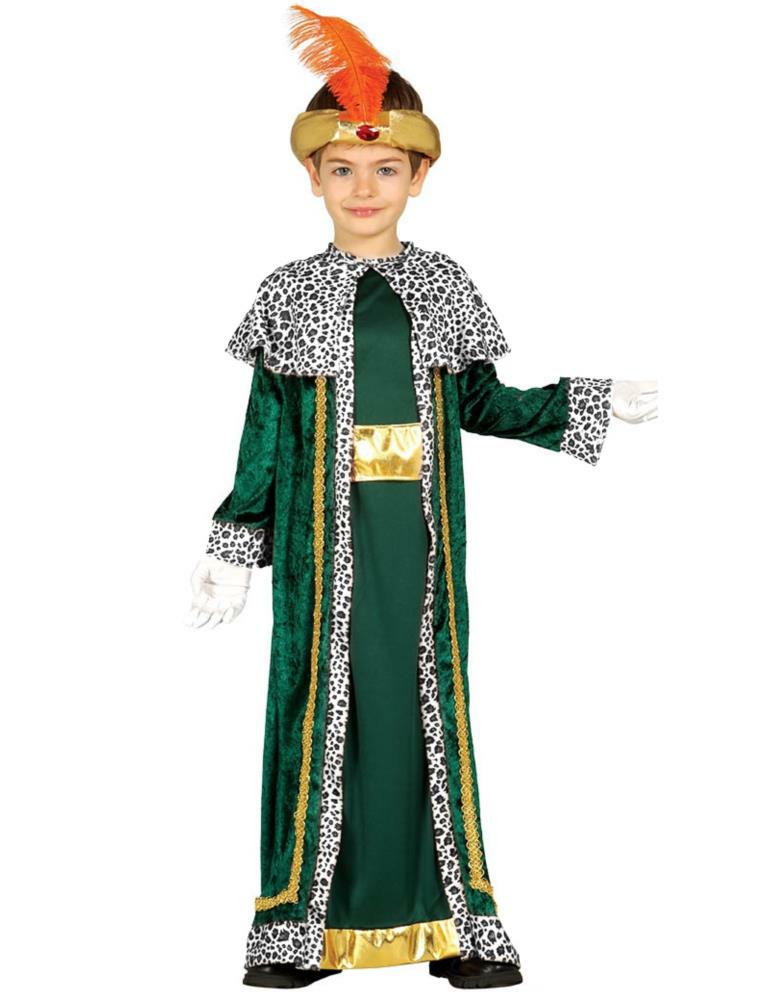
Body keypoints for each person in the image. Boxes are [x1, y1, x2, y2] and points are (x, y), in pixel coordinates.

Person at [186, 5, 658, 990]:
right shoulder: (286, 293)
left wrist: (584, 399)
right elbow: (266, 433)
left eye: (385, 169)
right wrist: (233, 549)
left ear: (420, 176)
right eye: (343, 170)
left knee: (423, 710)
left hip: (421, 546)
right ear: (312, 177)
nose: (364, 189)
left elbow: (480, 401)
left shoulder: (444, 284)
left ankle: (455, 923)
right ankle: (302, 929)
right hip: (324, 550)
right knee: (321, 714)